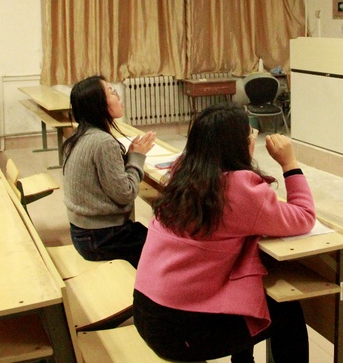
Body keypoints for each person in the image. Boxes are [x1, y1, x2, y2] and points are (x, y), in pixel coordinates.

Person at [133, 102, 316, 363]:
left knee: (244, 293)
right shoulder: (240, 189)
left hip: (146, 310)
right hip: (179, 332)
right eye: (250, 133)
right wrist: (290, 163)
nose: (253, 138)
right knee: (287, 313)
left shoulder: (182, 174)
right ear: (238, 145)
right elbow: (305, 216)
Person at [60, 75, 156, 268]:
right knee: (162, 248)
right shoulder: (103, 142)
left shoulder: (80, 136)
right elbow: (126, 194)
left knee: (150, 237)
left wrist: (130, 157)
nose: (118, 95)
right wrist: (137, 158)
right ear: (98, 105)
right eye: (111, 92)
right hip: (101, 237)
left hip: (83, 232)